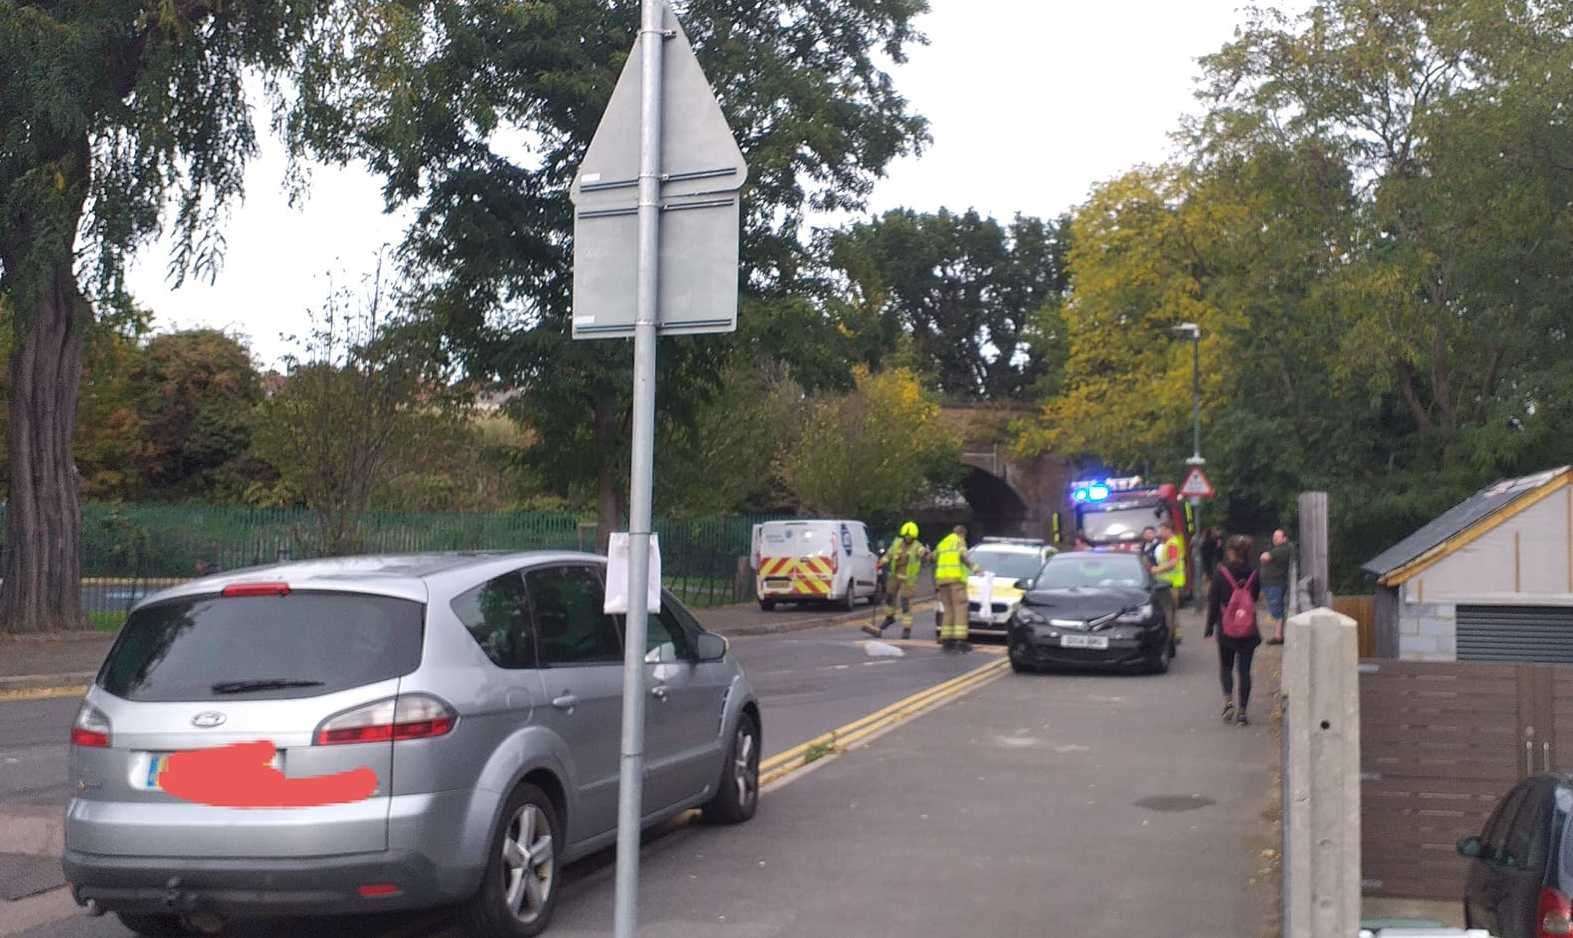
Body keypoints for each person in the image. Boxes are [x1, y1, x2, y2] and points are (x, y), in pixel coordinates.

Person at [1206, 534, 1262, 726]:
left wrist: (1209, 626)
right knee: (1244, 671)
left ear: (1230, 551)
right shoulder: (1254, 572)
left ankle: (1229, 701)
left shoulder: (1221, 572)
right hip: (1248, 629)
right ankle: (1243, 712)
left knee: (1226, 667)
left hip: (1226, 628)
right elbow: (1253, 597)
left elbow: (1213, 601)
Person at [863, 521, 929, 640]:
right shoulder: (897, 543)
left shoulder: (917, 546)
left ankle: (906, 628)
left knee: (905, 603)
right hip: (895, 575)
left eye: (910, 537)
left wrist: (926, 554)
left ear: (914, 537)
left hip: (908, 580)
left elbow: (923, 553)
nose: (908, 539)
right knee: (889, 597)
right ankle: (889, 617)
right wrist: (880, 563)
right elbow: (889, 555)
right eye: (906, 536)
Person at [933, 525, 976, 653]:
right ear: (963, 534)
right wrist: (975, 568)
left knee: (948, 610)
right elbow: (963, 556)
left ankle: (947, 640)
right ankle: (960, 640)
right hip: (956, 580)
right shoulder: (959, 541)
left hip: (942, 581)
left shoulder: (943, 542)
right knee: (960, 608)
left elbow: (932, 557)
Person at [1150, 521, 1186, 649]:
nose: (1159, 533)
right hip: (1169, 583)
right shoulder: (1169, 543)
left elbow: (1173, 562)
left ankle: (1170, 639)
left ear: (1167, 530)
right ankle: (1175, 635)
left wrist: (1156, 570)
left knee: (1169, 612)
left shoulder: (1172, 543)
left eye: (1161, 530)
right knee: (1172, 611)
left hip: (1171, 584)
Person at [1260, 529, 1293, 645]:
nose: (1275, 538)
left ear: (1284, 538)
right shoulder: (1279, 549)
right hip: (1273, 584)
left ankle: (1278, 636)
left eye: (1278, 537)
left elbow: (1265, 557)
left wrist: (1265, 556)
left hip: (1275, 584)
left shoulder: (1282, 550)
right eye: (1274, 536)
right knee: (1276, 610)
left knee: (1277, 611)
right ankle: (1278, 635)